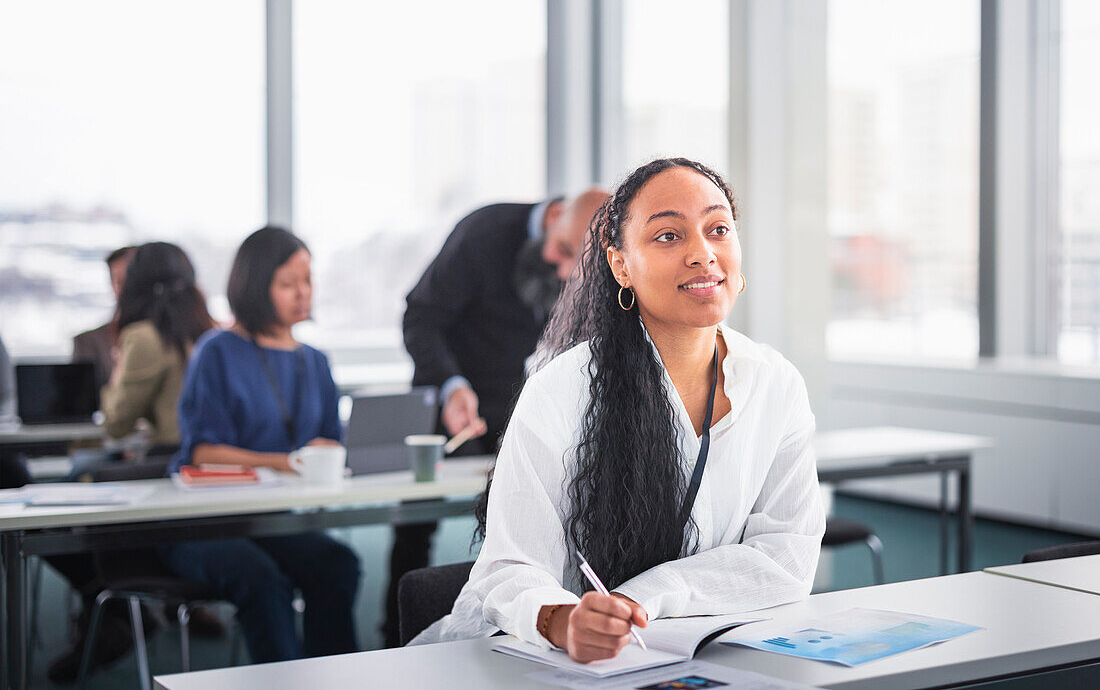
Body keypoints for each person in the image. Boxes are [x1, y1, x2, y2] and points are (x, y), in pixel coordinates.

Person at [411, 158, 825, 662]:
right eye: (669, 236)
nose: (702, 253)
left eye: (718, 229)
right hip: (541, 659)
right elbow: (510, 567)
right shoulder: (561, 389)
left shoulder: (775, 384)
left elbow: (786, 557)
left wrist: (638, 599)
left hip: (698, 653)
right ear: (620, 266)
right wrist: (564, 621)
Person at [386, 188, 607, 646]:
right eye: (563, 251)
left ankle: (510, 624)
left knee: (517, 518)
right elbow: (420, 317)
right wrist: (451, 384)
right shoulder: (483, 234)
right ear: (554, 214)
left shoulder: (583, 265)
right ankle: (395, 637)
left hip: (511, 404)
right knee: (415, 529)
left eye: (577, 267)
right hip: (447, 394)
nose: (563, 270)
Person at [161, 227, 360, 664]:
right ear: (255, 285)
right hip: (203, 522)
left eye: (307, 281)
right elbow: (202, 453)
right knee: (263, 581)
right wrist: (287, 463)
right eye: (288, 283)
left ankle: (336, 678)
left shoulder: (316, 361)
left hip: (271, 522)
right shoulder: (218, 351)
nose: (302, 293)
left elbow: (329, 442)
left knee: (337, 563)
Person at [101, 242, 215, 450]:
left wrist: (118, 366)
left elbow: (116, 425)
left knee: (81, 469)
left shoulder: (144, 337)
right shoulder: (213, 332)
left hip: (173, 458)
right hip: (221, 455)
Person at [74, 246, 137, 390]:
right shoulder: (88, 342)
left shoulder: (170, 338)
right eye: (118, 282)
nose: (124, 289)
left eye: (130, 281)